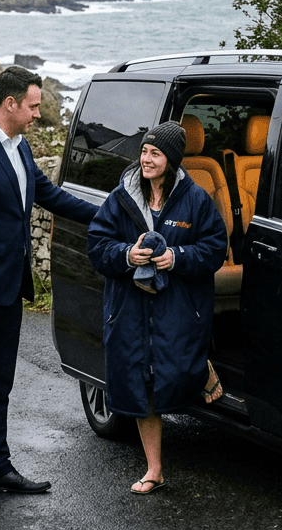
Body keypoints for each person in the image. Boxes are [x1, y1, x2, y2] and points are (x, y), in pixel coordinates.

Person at [0, 66, 99, 509]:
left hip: (9, 288)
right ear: (9, 104)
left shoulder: (19, 147)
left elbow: (50, 195)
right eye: (32, 106)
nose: (37, 115)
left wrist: (108, 215)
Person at [86, 121, 228, 494]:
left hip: (177, 307)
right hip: (131, 308)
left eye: (156, 154)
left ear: (173, 161)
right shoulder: (121, 197)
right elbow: (98, 245)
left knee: (180, 366)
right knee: (142, 386)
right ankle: (154, 469)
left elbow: (215, 247)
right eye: (145, 151)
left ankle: (202, 370)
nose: (146, 159)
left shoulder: (195, 199)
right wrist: (127, 254)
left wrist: (177, 257)